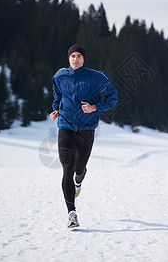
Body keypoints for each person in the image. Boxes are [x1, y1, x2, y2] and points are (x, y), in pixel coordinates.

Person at [50, 44, 118, 228]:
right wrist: (55, 108)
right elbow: (57, 94)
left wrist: (94, 107)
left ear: (84, 59)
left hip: (87, 128)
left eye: (79, 56)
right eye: (72, 56)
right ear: (68, 58)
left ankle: (79, 179)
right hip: (65, 126)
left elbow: (113, 97)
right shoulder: (60, 76)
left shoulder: (97, 77)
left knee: (79, 168)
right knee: (67, 167)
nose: (75, 59)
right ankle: (71, 214)